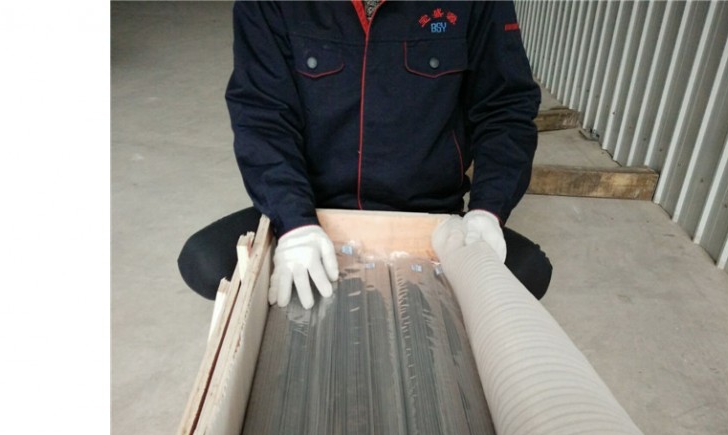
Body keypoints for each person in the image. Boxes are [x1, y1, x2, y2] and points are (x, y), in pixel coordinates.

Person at [178, 0, 552, 308]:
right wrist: (293, 225)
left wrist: (488, 210)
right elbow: (263, 116)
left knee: (528, 271)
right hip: (314, 212)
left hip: (428, 217)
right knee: (205, 262)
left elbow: (504, 107)